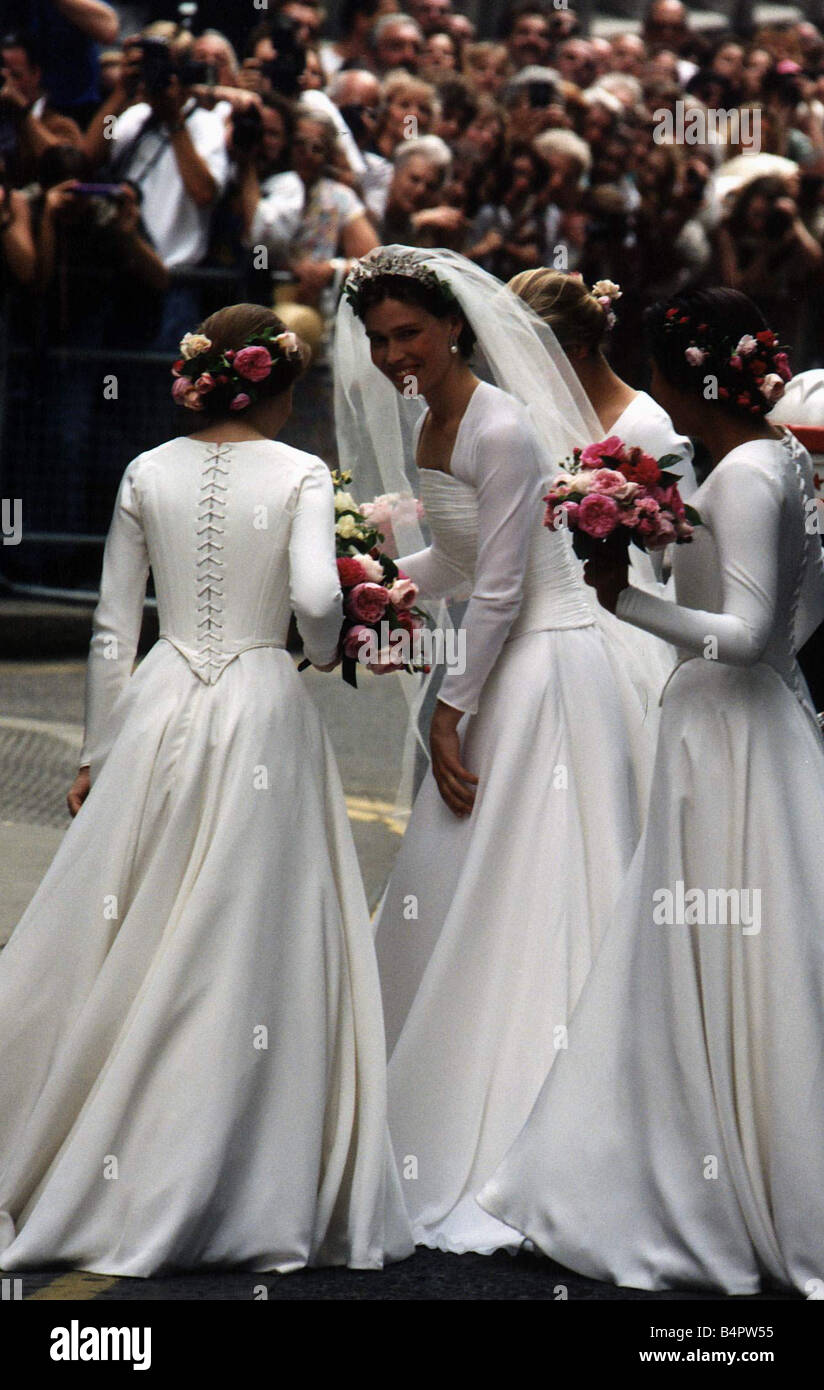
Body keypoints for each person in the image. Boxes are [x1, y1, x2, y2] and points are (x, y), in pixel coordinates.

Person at [0, 303, 414, 1277]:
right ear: (278, 384)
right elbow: (316, 599)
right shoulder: (302, 472)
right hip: (260, 705)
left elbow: (111, 626)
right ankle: (226, 1154)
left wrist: (96, 753)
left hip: (158, 700)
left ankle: (76, 1128)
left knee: (127, 913)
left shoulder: (148, 468)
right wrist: (318, 647)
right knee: (242, 926)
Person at [479, 288, 824, 1296]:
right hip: (745, 727)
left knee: (723, 949)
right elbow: (799, 620)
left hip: (726, 731)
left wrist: (624, 599)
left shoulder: (750, 474)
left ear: (681, 375)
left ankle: (716, 1181)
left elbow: (752, 633)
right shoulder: (779, 463)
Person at [335, 246, 644, 1254]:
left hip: (546, 666)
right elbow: (464, 560)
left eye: (407, 335)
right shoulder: (437, 415)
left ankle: (539, 1123)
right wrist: (384, 592)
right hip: (500, 658)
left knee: (535, 877)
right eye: (378, 340)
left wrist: (446, 707)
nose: (391, 356)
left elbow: (507, 590)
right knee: (461, 875)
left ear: (456, 328)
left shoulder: (500, 425)